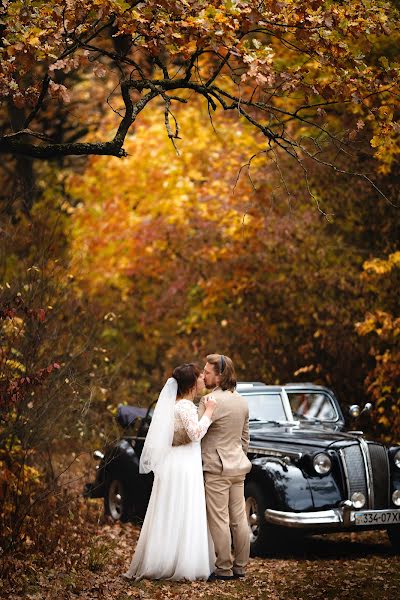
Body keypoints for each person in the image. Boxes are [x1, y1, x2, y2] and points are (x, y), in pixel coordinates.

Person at [123, 363, 217, 581]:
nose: (203, 378)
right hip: (183, 462)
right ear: (192, 383)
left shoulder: (176, 404)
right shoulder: (184, 406)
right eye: (200, 376)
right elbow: (195, 434)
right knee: (183, 507)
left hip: (177, 461)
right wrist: (209, 412)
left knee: (171, 509)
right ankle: (182, 564)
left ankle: (167, 557)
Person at [198, 353, 252, 581]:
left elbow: (197, 434)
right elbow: (245, 438)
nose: (204, 376)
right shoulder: (242, 401)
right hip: (238, 467)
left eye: (207, 373)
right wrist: (238, 457)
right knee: (239, 518)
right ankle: (240, 566)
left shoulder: (210, 402)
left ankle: (223, 568)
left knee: (219, 519)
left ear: (219, 376)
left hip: (216, 468)